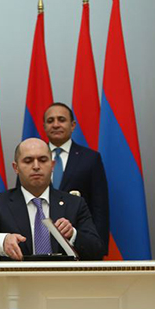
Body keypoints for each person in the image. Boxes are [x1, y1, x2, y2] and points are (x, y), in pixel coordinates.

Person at [0, 138, 103, 261]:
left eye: (42, 160)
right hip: (17, 285)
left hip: (63, 284)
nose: (36, 166)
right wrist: (2, 241)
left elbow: (96, 250)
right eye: (28, 161)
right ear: (16, 168)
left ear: (52, 165)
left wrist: (72, 234)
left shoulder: (74, 203)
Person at [43, 102, 109, 257]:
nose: (56, 124)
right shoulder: (33, 160)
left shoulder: (90, 159)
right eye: (50, 121)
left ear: (73, 125)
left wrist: (98, 248)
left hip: (80, 242)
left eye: (61, 119)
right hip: (42, 242)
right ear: (44, 127)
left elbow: (100, 207)